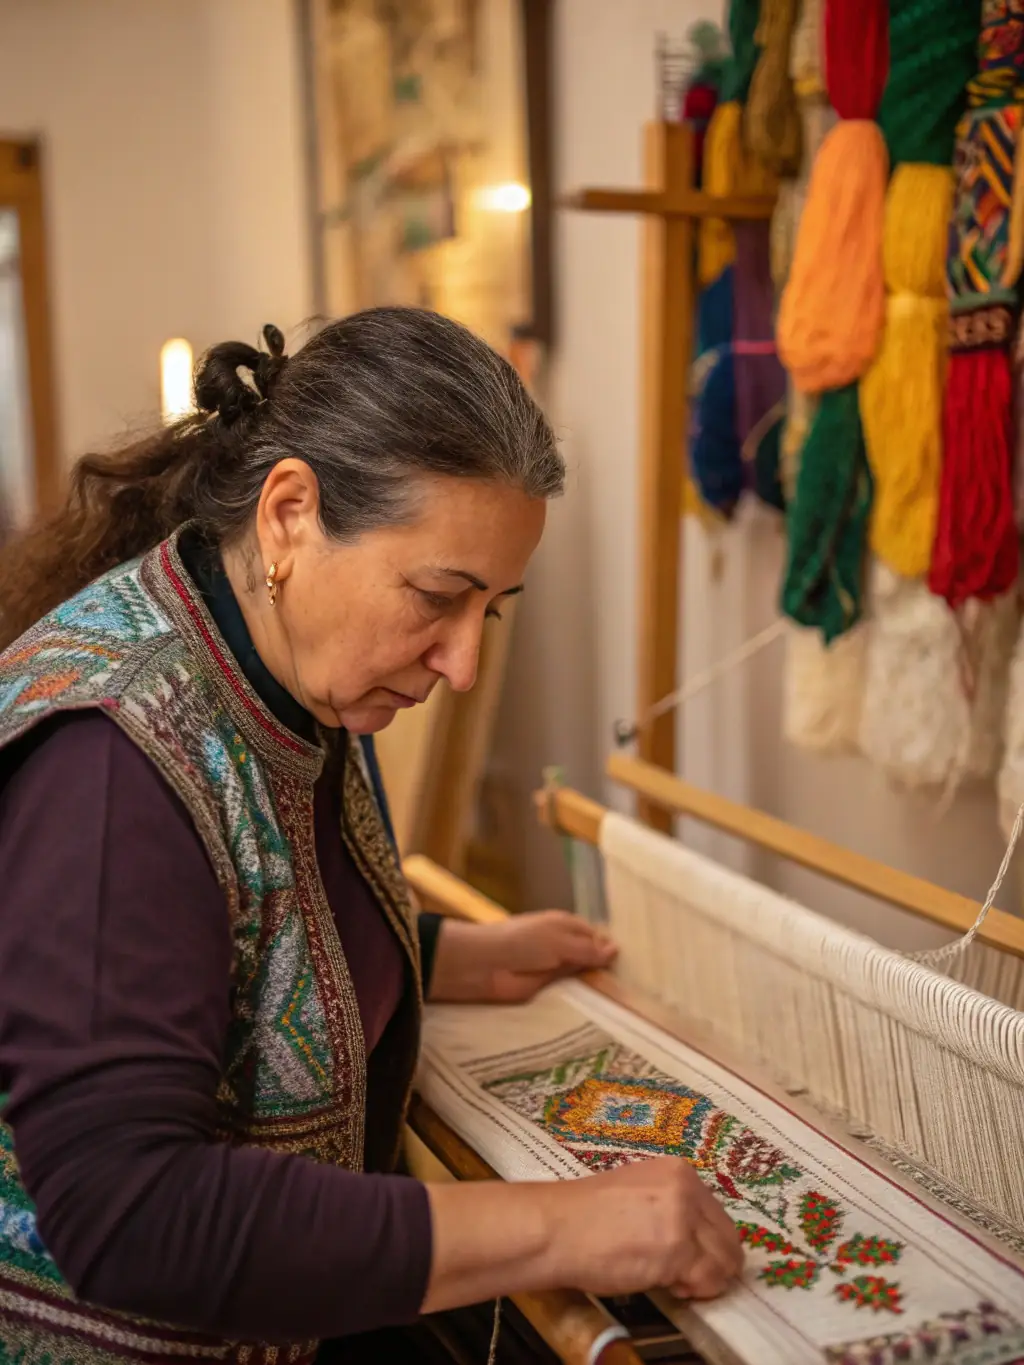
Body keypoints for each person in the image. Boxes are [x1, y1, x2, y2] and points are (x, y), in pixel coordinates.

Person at [0, 307, 742, 1365]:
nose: (461, 664)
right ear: (291, 514)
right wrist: (573, 1223)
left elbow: (227, 934)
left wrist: (443, 953)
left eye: (487, 610)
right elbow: (132, 1211)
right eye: (437, 598)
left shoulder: (287, 669)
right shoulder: (113, 760)